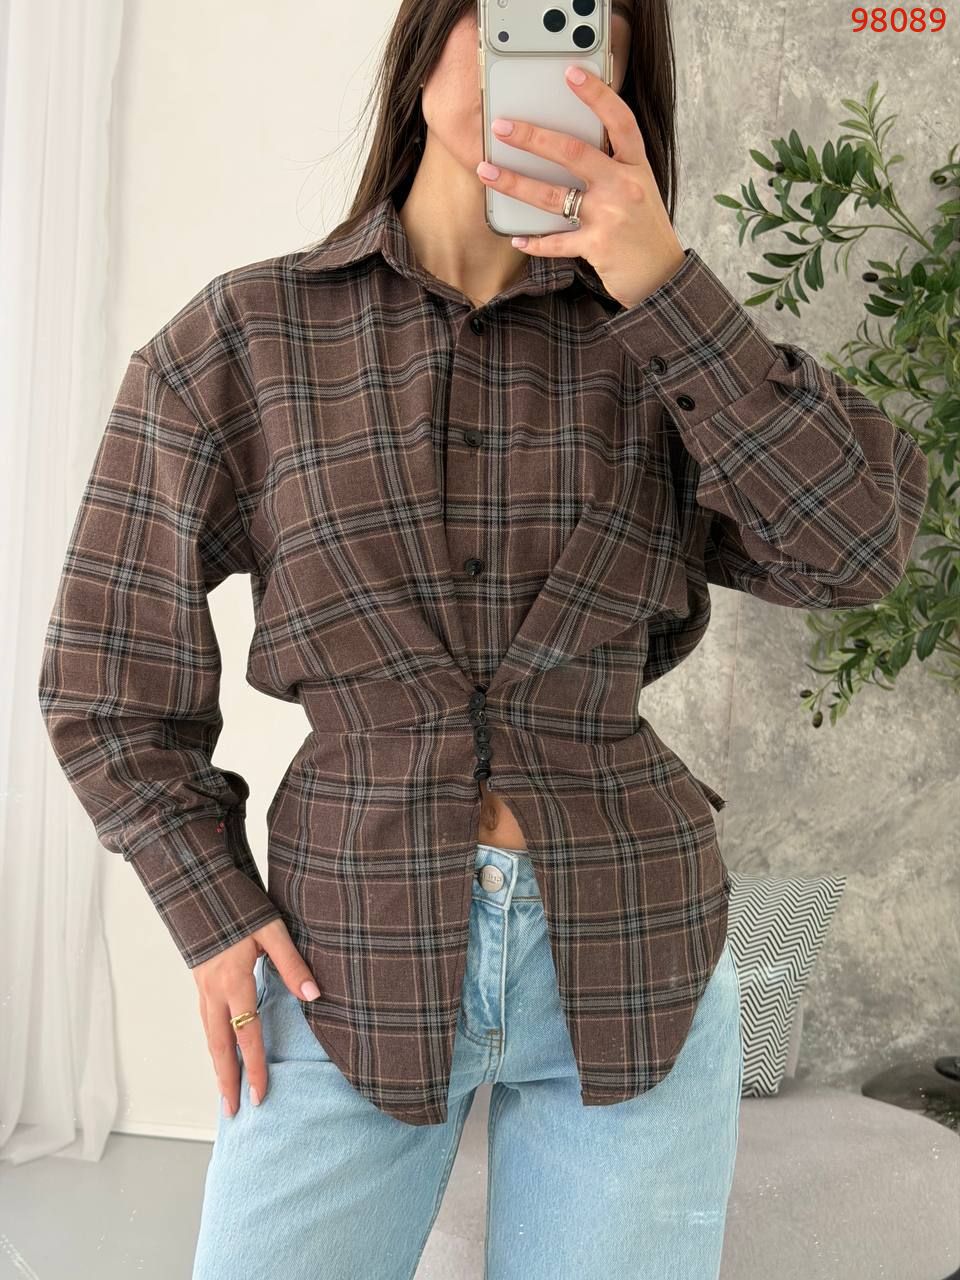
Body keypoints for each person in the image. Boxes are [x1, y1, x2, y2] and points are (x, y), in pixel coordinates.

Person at [37, 1, 928, 1277]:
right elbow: (105, 680)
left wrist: (667, 285)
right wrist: (209, 909)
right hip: (346, 956)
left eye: (583, 27)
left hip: (637, 950)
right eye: (510, 14)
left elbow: (856, 550)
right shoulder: (245, 338)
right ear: (429, 38)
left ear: (624, 83)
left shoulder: (662, 344)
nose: (542, 54)